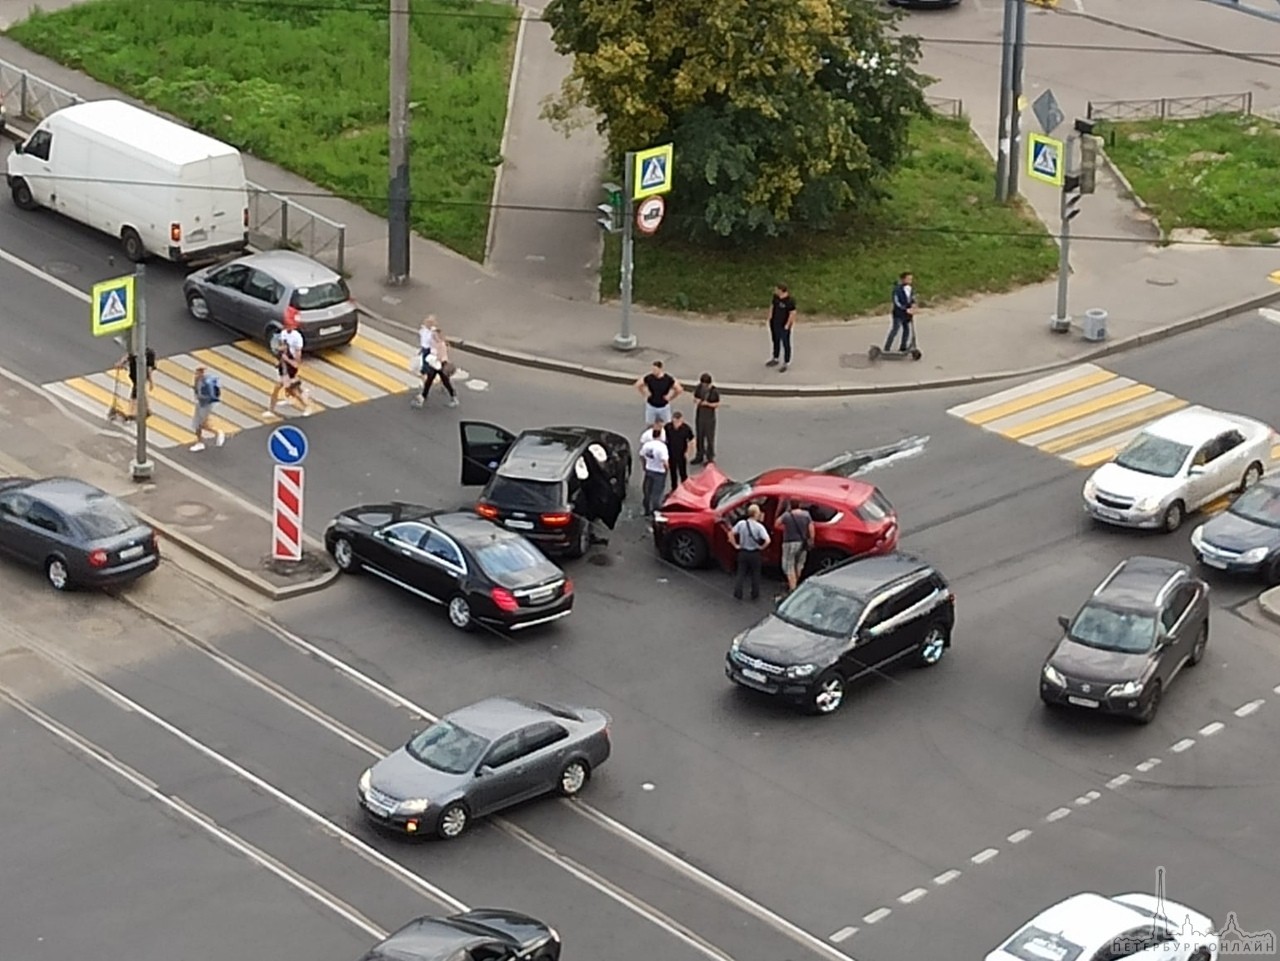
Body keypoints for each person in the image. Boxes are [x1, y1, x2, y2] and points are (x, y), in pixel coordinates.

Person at [266, 316, 311, 417]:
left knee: (292, 390)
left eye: (289, 325)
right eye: (286, 325)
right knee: (281, 388)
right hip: (284, 367)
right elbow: (282, 349)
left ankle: (306, 406)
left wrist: (287, 360)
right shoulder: (284, 334)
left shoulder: (297, 337)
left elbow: (297, 362)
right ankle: (271, 410)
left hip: (291, 369)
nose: (287, 327)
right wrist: (280, 361)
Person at [413, 317, 459, 409]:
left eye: (434, 336)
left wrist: (433, 358)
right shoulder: (436, 343)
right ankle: (423, 397)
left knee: (443, 382)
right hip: (436, 365)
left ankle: (453, 397)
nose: (433, 337)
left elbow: (440, 356)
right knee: (430, 381)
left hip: (440, 365)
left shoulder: (440, 345)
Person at [729, 504, 771, 601]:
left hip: (743, 552)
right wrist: (761, 547)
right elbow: (768, 540)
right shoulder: (759, 527)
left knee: (741, 573)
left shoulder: (741, 524)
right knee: (755, 574)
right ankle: (754, 594)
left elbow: (731, 533)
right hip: (754, 553)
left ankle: (738, 593)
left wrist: (735, 545)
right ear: (756, 514)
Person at [777, 500, 815, 594]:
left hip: (789, 542)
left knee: (788, 565)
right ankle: (795, 583)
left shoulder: (787, 515)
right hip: (803, 543)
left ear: (790, 505)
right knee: (799, 564)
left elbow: (777, 523)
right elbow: (811, 529)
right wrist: (811, 540)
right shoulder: (806, 515)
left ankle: (793, 589)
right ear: (800, 504)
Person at [114, 346, 156, 421]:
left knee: (136, 392)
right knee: (140, 390)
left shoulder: (147, 353)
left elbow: (149, 369)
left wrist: (151, 382)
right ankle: (147, 409)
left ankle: (132, 412)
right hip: (135, 375)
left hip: (140, 376)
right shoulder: (140, 352)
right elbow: (127, 357)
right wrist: (121, 363)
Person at [190, 365, 225, 452]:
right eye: (197, 371)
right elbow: (196, 389)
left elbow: (210, 396)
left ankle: (218, 432)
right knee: (197, 423)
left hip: (206, 405)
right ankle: (200, 442)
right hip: (200, 403)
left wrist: (201, 398)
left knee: (202, 424)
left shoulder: (207, 382)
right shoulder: (198, 380)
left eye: (200, 371)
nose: (197, 373)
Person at [634, 360, 681, 425]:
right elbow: (638, 384)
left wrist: (670, 397)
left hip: (664, 407)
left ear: (660, 369)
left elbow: (679, 389)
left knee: (667, 425)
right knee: (650, 425)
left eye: (655, 370)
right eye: (653, 369)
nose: (654, 371)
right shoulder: (650, 377)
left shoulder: (667, 379)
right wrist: (645, 394)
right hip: (651, 406)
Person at [638, 424, 669, 516]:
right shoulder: (662, 447)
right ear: (660, 435)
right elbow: (665, 462)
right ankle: (655, 511)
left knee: (647, 491)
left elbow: (641, 456)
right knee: (657, 493)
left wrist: (644, 465)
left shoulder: (647, 445)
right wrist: (667, 469)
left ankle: (646, 509)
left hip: (649, 470)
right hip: (659, 472)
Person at [690, 371, 720, 465]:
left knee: (709, 437)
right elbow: (695, 398)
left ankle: (710, 457)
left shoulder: (714, 391)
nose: (704, 386)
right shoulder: (699, 388)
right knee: (699, 436)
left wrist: (708, 404)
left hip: (709, 418)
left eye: (705, 384)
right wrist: (697, 401)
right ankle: (699, 455)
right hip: (700, 416)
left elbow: (717, 404)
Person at [766, 282, 796, 372]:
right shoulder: (776, 297)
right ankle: (775, 358)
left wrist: (788, 325)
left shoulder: (790, 301)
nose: (775, 291)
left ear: (781, 290)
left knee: (785, 343)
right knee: (775, 340)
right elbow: (772, 306)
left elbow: (792, 314)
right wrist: (770, 317)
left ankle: (786, 362)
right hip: (775, 323)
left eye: (777, 289)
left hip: (784, 325)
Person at [885, 271, 916, 353]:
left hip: (907, 314)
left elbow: (912, 298)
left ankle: (903, 346)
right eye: (908, 279)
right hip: (899, 313)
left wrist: (913, 306)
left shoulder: (910, 289)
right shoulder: (897, 289)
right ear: (903, 279)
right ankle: (887, 347)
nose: (910, 280)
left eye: (911, 279)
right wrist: (905, 308)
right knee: (895, 330)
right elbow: (896, 302)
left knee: (907, 330)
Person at [664, 411, 694, 491]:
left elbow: (691, 440)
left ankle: (685, 489)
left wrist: (688, 452)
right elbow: (663, 439)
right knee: (673, 473)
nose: (676, 424)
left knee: (683, 473)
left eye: (678, 422)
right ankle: (674, 489)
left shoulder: (686, 428)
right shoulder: (667, 427)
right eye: (675, 422)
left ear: (682, 420)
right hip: (671, 454)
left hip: (681, 454)